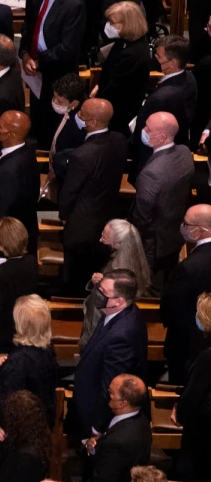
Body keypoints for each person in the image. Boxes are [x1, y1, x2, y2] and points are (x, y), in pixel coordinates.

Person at [59, 99, 130, 294]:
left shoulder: (82, 154)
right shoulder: (120, 140)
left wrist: (64, 215)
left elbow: (69, 192)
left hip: (81, 226)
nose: (78, 116)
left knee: (75, 278)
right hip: (108, 219)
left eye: (81, 113)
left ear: (92, 123)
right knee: (99, 270)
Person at [72, 271, 148, 436]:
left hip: (97, 417)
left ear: (119, 301)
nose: (98, 294)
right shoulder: (115, 313)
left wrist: (97, 428)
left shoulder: (122, 335)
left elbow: (111, 385)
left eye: (104, 292)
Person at [20, 0, 87, 141]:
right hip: (35, 69)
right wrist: (25, 53)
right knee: (37, 119)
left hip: (58, 74)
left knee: (52, 127)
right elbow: (29, 24)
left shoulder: (74, 2)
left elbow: (68, 48)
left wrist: (38, 62)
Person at [129, 112, 194, 291]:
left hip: (152, 242)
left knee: (148, 285)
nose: (143, 130)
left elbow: (142, 216)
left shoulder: (151, 174)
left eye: (148, 128)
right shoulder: (184, 152)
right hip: (173, 234)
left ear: (162, 137)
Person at [0, 295, 60, 423]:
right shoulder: (49, 352)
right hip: (43, 425)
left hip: (19, 432)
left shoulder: (16, 363)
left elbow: (5, 409)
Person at [0, 218, 39, 366]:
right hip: (23, 327)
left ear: (1, 245)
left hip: (2, 337)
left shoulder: (0, 275)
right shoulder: (30, 262)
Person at [79, 221, 151, 349]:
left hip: (103, 327)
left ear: (117, 244)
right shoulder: (136, 259)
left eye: (104, 238)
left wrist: (97, 285)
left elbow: (100, 306)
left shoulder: (118, 273)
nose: (100, 240)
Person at [161, 205, 211, 382]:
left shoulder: (188, 267)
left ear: (200, 230)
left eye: (186, 223)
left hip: (187, 346)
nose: (182, 226)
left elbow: (171, 309)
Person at [0, 111, 39, 258]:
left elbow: (0, 213)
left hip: (4, 245)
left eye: (0, 126)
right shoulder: (23, 151)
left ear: (11, 134)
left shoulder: (10, 171)